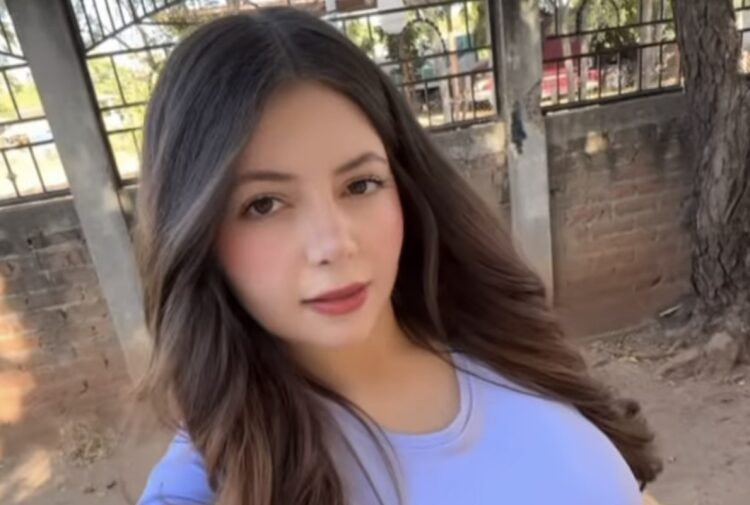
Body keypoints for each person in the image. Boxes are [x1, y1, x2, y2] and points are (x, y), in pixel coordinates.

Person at [134, 7, 661, 505]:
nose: (333, 244)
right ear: (197, 230)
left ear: (403, 184)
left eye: (360, 184)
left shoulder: (500, 338)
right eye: (263, 204)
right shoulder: (223, 478)